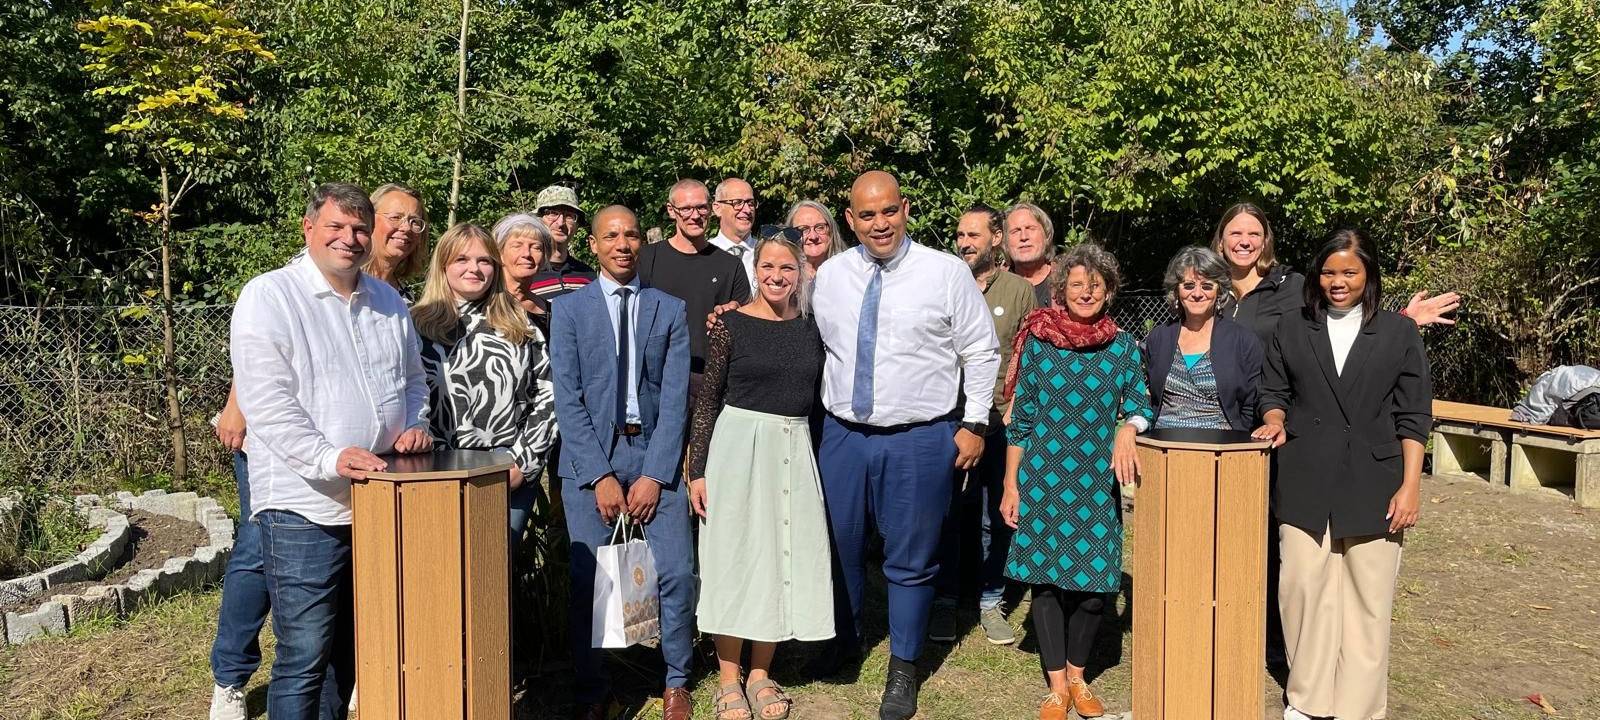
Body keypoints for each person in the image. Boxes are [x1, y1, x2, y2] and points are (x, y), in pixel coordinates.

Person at [208, 181, 430, 720]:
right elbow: (268, 403)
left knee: (349, 652)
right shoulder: (271, 296)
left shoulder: (388, 301)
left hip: (377, 499)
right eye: (336, 226)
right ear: (308, 228)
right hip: (303, 502)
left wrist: (415, 423)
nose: (349, 238)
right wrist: (330, 458)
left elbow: (412, 381)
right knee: (304, 655)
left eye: (359, 228)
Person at [1212, 201, 1455, 671]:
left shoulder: (1285, 289)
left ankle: (1314, 669)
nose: (1244, 241)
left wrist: (1403, 321)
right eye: (1235, 233)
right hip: (1233, 435)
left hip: (1286, 438)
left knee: (1316, 568)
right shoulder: (1206, 286)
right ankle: (1263, 651)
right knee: (1278, 565)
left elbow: (1351, 337)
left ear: (1266, 240)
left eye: (1254, 233)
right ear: (1220, 239)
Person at [809, 170, 1000, 720]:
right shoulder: (832, 276)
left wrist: (974, 423)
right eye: (867, 215)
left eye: (889, 211)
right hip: (844, 435)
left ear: (906, 209)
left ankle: (903, 666)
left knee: (911, 558)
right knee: (839, 546)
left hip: (919, 437)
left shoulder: (945, 273)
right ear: (851, 220)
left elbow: (981, 350)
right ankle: (843, 642)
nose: (879, 223)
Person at [1251, 230, 1431, 720]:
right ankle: (1308, 700)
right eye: (1329, 272)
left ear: (1368, 275)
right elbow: (1273, 392)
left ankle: (1358, 707)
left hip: (1375, 483)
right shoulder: (1292, 327)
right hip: (1304, 478)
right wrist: (1274, 419)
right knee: (1302, 593)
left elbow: (1414, 416)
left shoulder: (1398, 332)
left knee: (1367, 602)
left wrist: (1410, 486)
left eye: (1349, 272)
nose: (1338, 281)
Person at [548, 205, 695, 720]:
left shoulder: (668, 309)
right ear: (593, 245)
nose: (623, 244)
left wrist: (655, 474)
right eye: (611, 235)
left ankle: (676, 681)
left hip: (654, 452)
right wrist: (600, 475)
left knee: (677, 572)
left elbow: (675, 398)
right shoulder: (570, 311)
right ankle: (594, 690)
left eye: (631, 235)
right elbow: (567, 398)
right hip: (592, 458)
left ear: (641, 243)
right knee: (588, 580)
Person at [999, 243, 1152, 720]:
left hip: (1094, 484)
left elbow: (1141, 404)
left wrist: (1128, 428)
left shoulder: (1122, 347)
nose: (1086, 293)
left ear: (1109, 291)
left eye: (1096, 285)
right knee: (1045, 585)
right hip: (1042, 479)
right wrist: (1010, 485)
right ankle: (1056, 686)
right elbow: (1022, 421)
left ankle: (1078, 675)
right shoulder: (1039, 342)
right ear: (1061, 289)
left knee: (1094, 588)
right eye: (1077, 285)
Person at [688, 234, 831, 720]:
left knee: (779, 553)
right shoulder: (730, 324)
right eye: (767, 266)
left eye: (786, 267)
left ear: (801, 273)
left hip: (792, 447)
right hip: (737, 447)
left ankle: (760, 674)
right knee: (733, 556)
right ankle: (729, 678)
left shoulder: (811, 328)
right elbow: (709, 399)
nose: (776, 276)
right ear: (755, 269)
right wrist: (697, 470)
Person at [929, 203, 1036, 646]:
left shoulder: (1019, 291)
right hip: (949, 418)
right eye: (960, 235)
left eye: (973, 235)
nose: (964, 243)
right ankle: (944, 601)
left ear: (996, 238)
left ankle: (991, 601)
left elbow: (1028, 354)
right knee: (947, 513)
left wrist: (1016, 405)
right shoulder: (943, 283)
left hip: (1000, 420)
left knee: (996, 515)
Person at [413, 223, 558, 544]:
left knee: (494, 565)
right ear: (443, 265)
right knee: (439, 563)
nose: (474, 269)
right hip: (435, 470)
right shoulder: (416, 325)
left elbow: (547, 396)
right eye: (462, 259)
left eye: (484, 261)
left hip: (508, 467)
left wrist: (524, 462)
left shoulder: (520, 324)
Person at [638, 179, 751, 383]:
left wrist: (735, 314)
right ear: (671, 211)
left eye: (701, 207)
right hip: (656, 377)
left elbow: (747, 326)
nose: (695, 215)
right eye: (686, 209)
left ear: (711, 209)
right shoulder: (646, 258)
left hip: (710, 378)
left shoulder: (731, 265)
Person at [1144, 246, 1262, 431]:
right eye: (1188, 285)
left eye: (1207, 286)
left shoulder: (1242, 341)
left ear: (1219, 291)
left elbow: (1252, 404)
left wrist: (1237, 440)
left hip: (1221, 443)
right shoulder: (1159, 337)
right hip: (1164, 442)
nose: (1197, 294)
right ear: (1177, 291)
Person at [529, 184, 596, 303]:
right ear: (538, 220)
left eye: (569, 216)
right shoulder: (527, 273)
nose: (560, 223)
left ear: (576, 225)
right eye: (552, 213)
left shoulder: (588, 276)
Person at [365, 183, 431, 293]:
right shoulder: (346, 281)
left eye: (414, 221)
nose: (407, 228)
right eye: (395, 217)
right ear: (369, 220)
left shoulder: (405, 295)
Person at [492, 213, 555, 328]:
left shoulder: (552, 313)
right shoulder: (485, 305)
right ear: (500, 253)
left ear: (544, 257)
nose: (526, 253)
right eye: (517, 246)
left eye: (536, 247)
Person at [709, 177, 760, 288]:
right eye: (738, 203)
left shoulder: (765, 252)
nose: (747, 210)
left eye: (751, 203)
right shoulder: (704, 255)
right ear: (717, 208)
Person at [1005, 202, 1057, 309]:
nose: (1023, 237)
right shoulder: (995, 286)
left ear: (1047, 236)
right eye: (1015, 231)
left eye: (1030, 228)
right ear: (1005, 242)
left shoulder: (1066, 280)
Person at [787, 200, 846, 283]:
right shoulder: (784, 279)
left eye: (820, 227)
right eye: (803, 229)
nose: (813, 236)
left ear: (831, 230)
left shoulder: (849, 271)